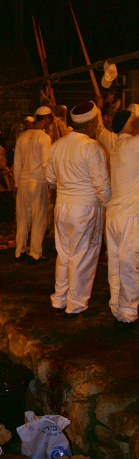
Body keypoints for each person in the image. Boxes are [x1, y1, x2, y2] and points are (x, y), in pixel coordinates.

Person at [46, 101, 111, 319]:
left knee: (64, 253)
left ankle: (59, 298)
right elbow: (101, 183)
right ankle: (76, 304)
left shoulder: (57, 144)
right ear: (92, 123)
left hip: (62, 206)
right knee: (83, 255)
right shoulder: (91, 146)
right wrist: (108, 206)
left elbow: (50, 179)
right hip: (85, 207)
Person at [97, 109, 139, 332]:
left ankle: (117, 306)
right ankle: (128, 313)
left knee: (115, 262)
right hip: (128, 215)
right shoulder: (133, 145)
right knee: (129, 263)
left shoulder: (114, 143)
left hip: (114, 215)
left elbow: (101, 130)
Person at [13, 106, 53, 263]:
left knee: (22, 218)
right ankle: (35, 253)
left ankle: (19, 251)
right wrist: (51, 183)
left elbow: (17, 163)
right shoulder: (44, 138)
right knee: (39, 218)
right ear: (47, 119)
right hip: (37, 182)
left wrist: (16, 184)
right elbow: (45, 164)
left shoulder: (21, 137)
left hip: (23, 182)